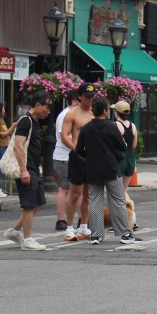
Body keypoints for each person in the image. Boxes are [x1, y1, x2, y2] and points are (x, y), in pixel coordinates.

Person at [75, 96, 140, 245]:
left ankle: (96, 235)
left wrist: (89, 157)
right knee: (117, 201)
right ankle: (124, 234)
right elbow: (123, 146)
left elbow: (79, 150)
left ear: (93, 110)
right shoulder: (111, 127)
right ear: (105, 110)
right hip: (111, 168)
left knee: (95, 201)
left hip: (93, 169)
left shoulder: (86, 128)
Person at [3, 93, 53, 251]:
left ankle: (14, 231)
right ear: (37, 105)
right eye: (47, 107)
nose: (48, 111)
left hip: (33, 168)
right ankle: (27, 239)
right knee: (29, 205)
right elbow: (18, 146)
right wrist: (24, 170)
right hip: (27, 168)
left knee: (38, 203)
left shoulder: (34, 122)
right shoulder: (26, 121)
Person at [62, 83, 96, 240]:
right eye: (88, 97)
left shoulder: (95, 113)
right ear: (80, 97)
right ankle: (69, 227)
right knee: (74, 193)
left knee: (88, 194)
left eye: (92, 96)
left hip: (92, 157)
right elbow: (64, 135)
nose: (90, 99)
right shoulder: (72, 114)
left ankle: (83, 226)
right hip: (78, 157)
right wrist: (76, 150)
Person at [52, 91, 78, 230]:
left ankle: (81, 219)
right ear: (74, 102)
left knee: (77, 188)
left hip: (71, 156)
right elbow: (65, 137)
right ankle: (61, 220)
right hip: (63, 156)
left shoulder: (73, 114)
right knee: (64, 188)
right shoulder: (65, 115)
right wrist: (78, 148)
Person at [112, 100, 138, 190]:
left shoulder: (114, 125)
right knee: (124, 190)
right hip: (130, 159)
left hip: (119, 159)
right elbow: (134, 145)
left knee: (117, 192)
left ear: (116, 112)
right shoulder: (133, 126)